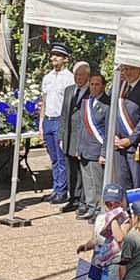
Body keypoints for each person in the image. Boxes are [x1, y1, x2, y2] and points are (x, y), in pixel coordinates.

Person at [39, 43, 78, 205]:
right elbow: (45, 101)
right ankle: (56, 189)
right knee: (53, 157)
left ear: (65, 59)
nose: (53, 58)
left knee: (61, 158)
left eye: (58, 55)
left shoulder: (69, 78)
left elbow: (70, 103)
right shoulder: (47, 77)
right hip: (48, 119)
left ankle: (62, 190)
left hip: (60, 120)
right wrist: (41, 124)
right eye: (53, 54)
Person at [57, 60, 94, 213]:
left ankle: (84, 201)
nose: (78, 78)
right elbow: (64, 115)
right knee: (70, 169)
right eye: (76, 75)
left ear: (88, 76)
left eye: (81, 75)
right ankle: (73, 198)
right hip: (68, 137)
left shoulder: (91, 92)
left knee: (82, 170)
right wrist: (61, 136)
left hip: (83, 137)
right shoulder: (69, 90)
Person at [110, 69, 140, 190]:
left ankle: (137, 207)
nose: (128, 72)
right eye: (125, 69)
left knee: (137, 182)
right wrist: (114, 135)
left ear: (138, 70)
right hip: (118, 144)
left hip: (135, 146)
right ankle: (125, 207)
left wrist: (130, 139)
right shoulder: (119, 87)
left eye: (131, 69)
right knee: (122, 180)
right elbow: (113, 113)